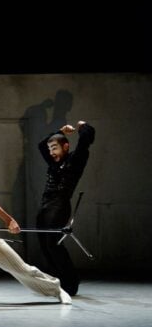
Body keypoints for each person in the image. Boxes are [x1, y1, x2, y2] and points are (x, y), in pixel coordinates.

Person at [36, 121, 95, 296]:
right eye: (50, 149)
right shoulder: (54, 162)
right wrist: (59, 131)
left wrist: (82, 126)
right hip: (45, 204)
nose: (51, 152)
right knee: (44, 245)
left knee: (53, 244)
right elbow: (41, 146)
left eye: (55, 148)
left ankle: (71, 283)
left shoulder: (76, 159)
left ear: (66, 146)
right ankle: (58, 281)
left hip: (60, 205)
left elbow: (86, 138)